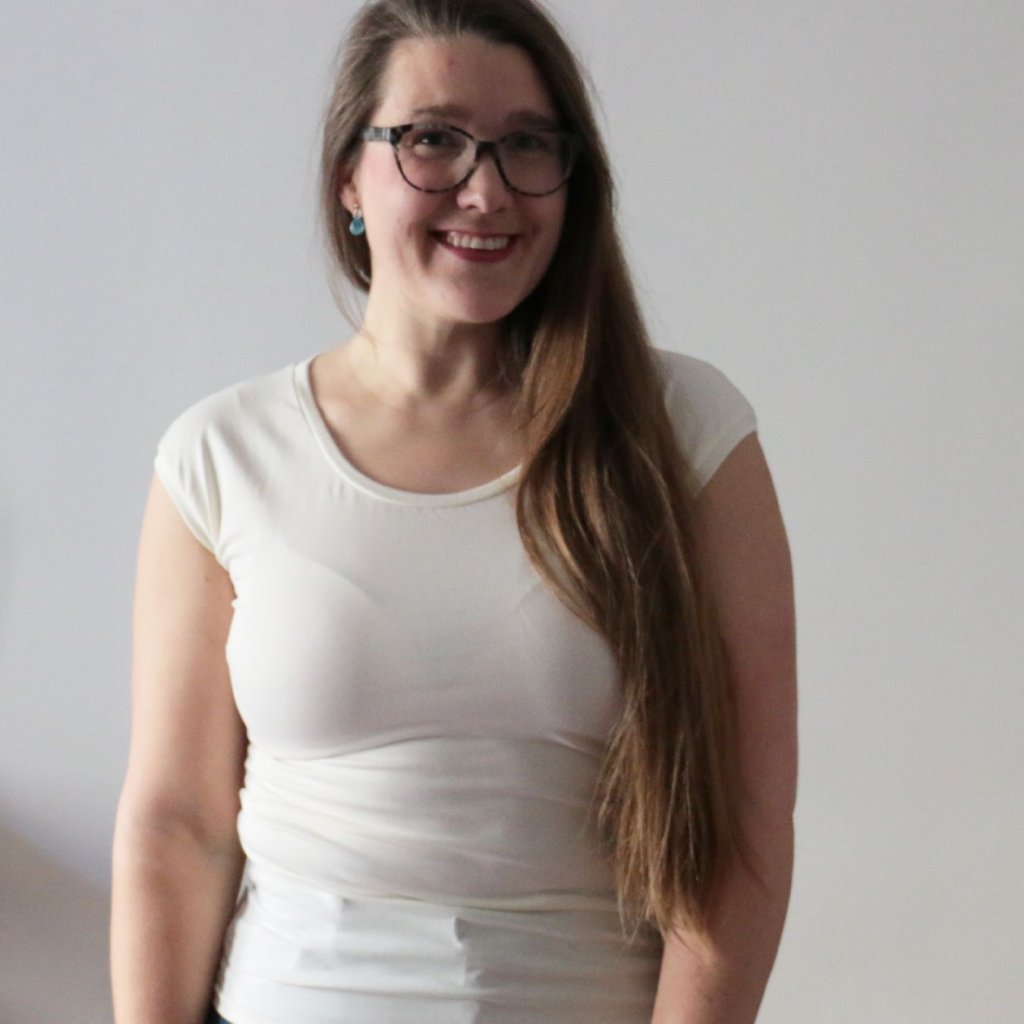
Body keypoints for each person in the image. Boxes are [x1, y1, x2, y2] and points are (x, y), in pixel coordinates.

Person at [110, 1, 797, 1022]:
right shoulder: (221, 455)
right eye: (432, 139)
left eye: (529, 143)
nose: (487, 189)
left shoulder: (686, 434)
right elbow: (179, 824)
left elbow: (741, 822)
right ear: (349, 178)